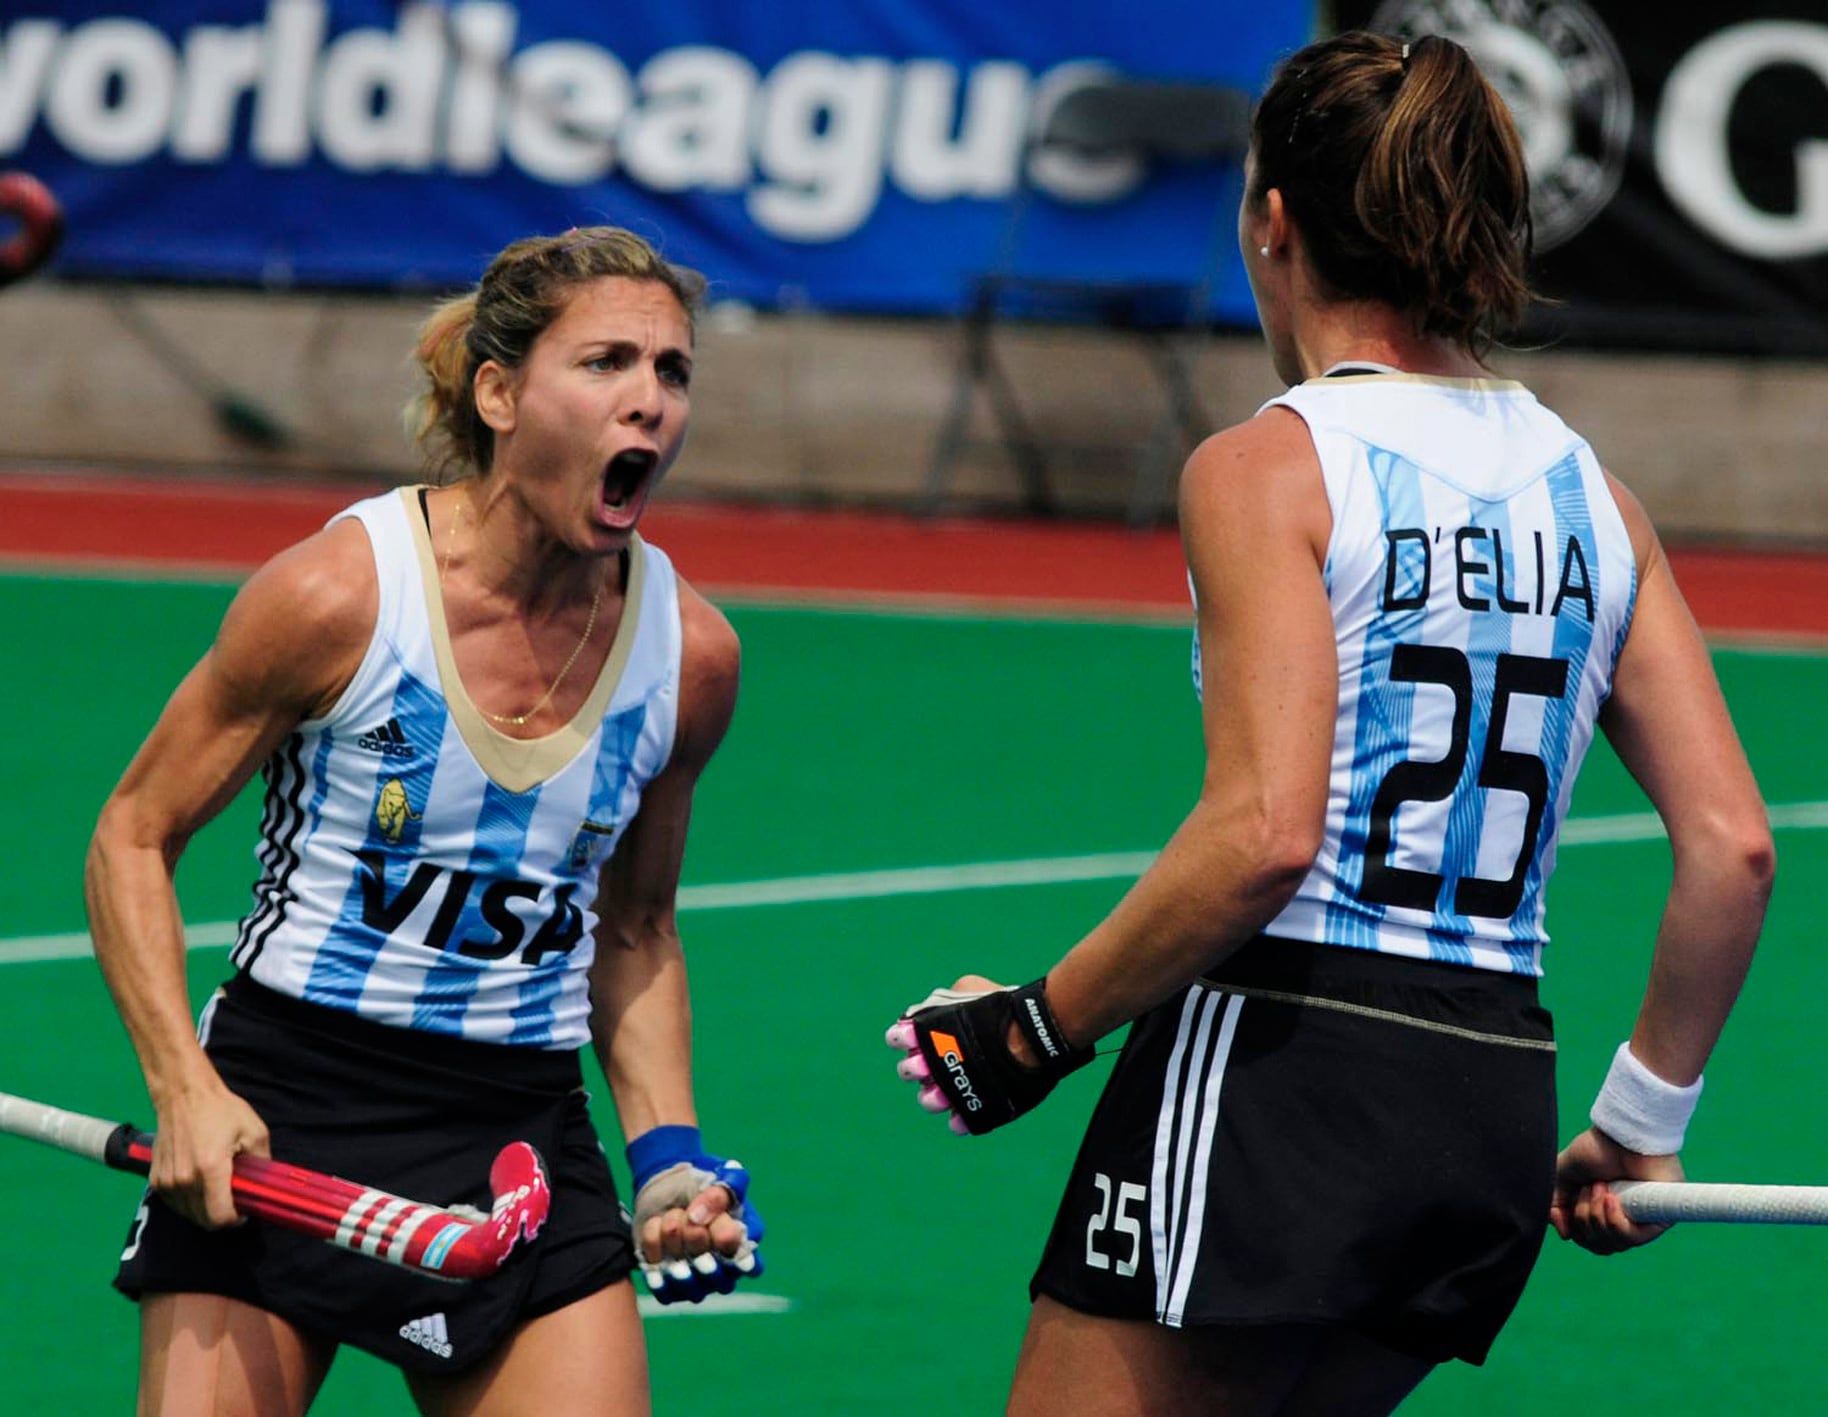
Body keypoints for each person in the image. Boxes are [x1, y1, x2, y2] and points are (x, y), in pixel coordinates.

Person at [887, 31, 1774, 1416]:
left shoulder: (1269, 467)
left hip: (1281, 1070)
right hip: (1486, 1104)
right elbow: (1732, 847)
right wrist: (1641, 1124)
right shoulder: (1597, 495)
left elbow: (1260, 834)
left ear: (1273, 221)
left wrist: (1035, 1032)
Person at [88, 226, 764, 1415]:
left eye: (672, 371)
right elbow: (133, 835)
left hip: (515, 1129)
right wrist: (184, 1086)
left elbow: (637, 929)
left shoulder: (690, 656)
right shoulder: (339, 596)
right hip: (284, 1108)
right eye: (607, 362)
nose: (650, 402)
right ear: (500, 393)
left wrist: (667, 1158)